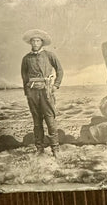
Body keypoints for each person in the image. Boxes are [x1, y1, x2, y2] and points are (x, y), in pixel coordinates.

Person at [21, 29, 63, 157]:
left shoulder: (50, 55)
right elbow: (24, 75)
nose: (35, 43)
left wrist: (55, 85)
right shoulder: (26, 58)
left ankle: (55, 149)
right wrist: (27, 92)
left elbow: (60, 71)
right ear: (30, 43)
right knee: (37, 122)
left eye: (38, 40)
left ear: (42, 42)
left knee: (50, 120)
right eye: (33, 41)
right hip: (32, 93)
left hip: (46, 91)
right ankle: (39, 149)